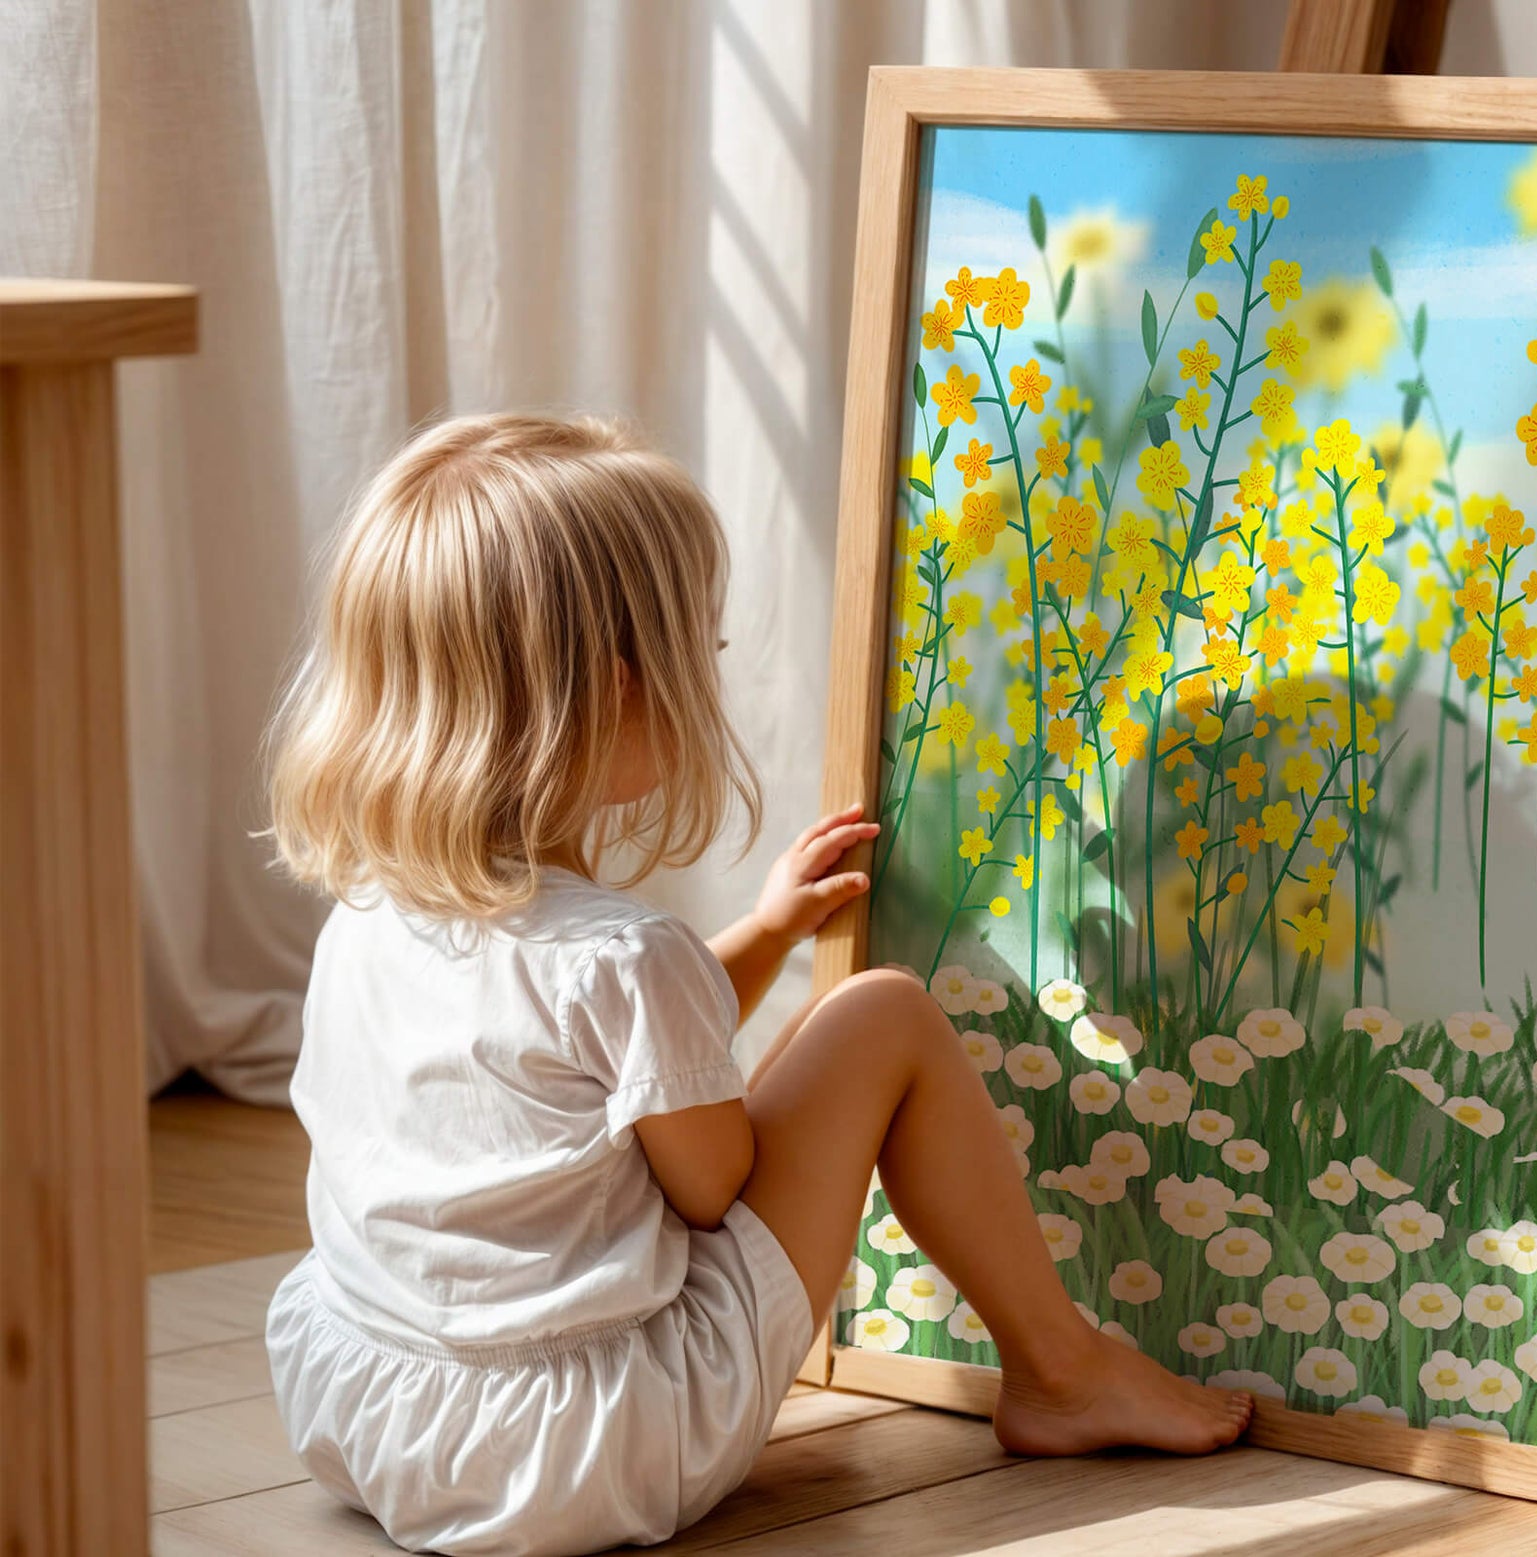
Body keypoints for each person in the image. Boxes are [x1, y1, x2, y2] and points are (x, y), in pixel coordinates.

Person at [259, 412, 1252, 1556]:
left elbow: (584, 1067)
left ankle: (1064, 1369)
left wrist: (768, 937)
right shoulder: (624, 954)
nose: (713, 678)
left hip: (368, 1408)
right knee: (882, 1015)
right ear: (622, 694)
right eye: (704, 656)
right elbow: (708, 1181)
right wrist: (794, 1066)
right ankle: (1061, 1369)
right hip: (587, 1448)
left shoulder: (367, 914)